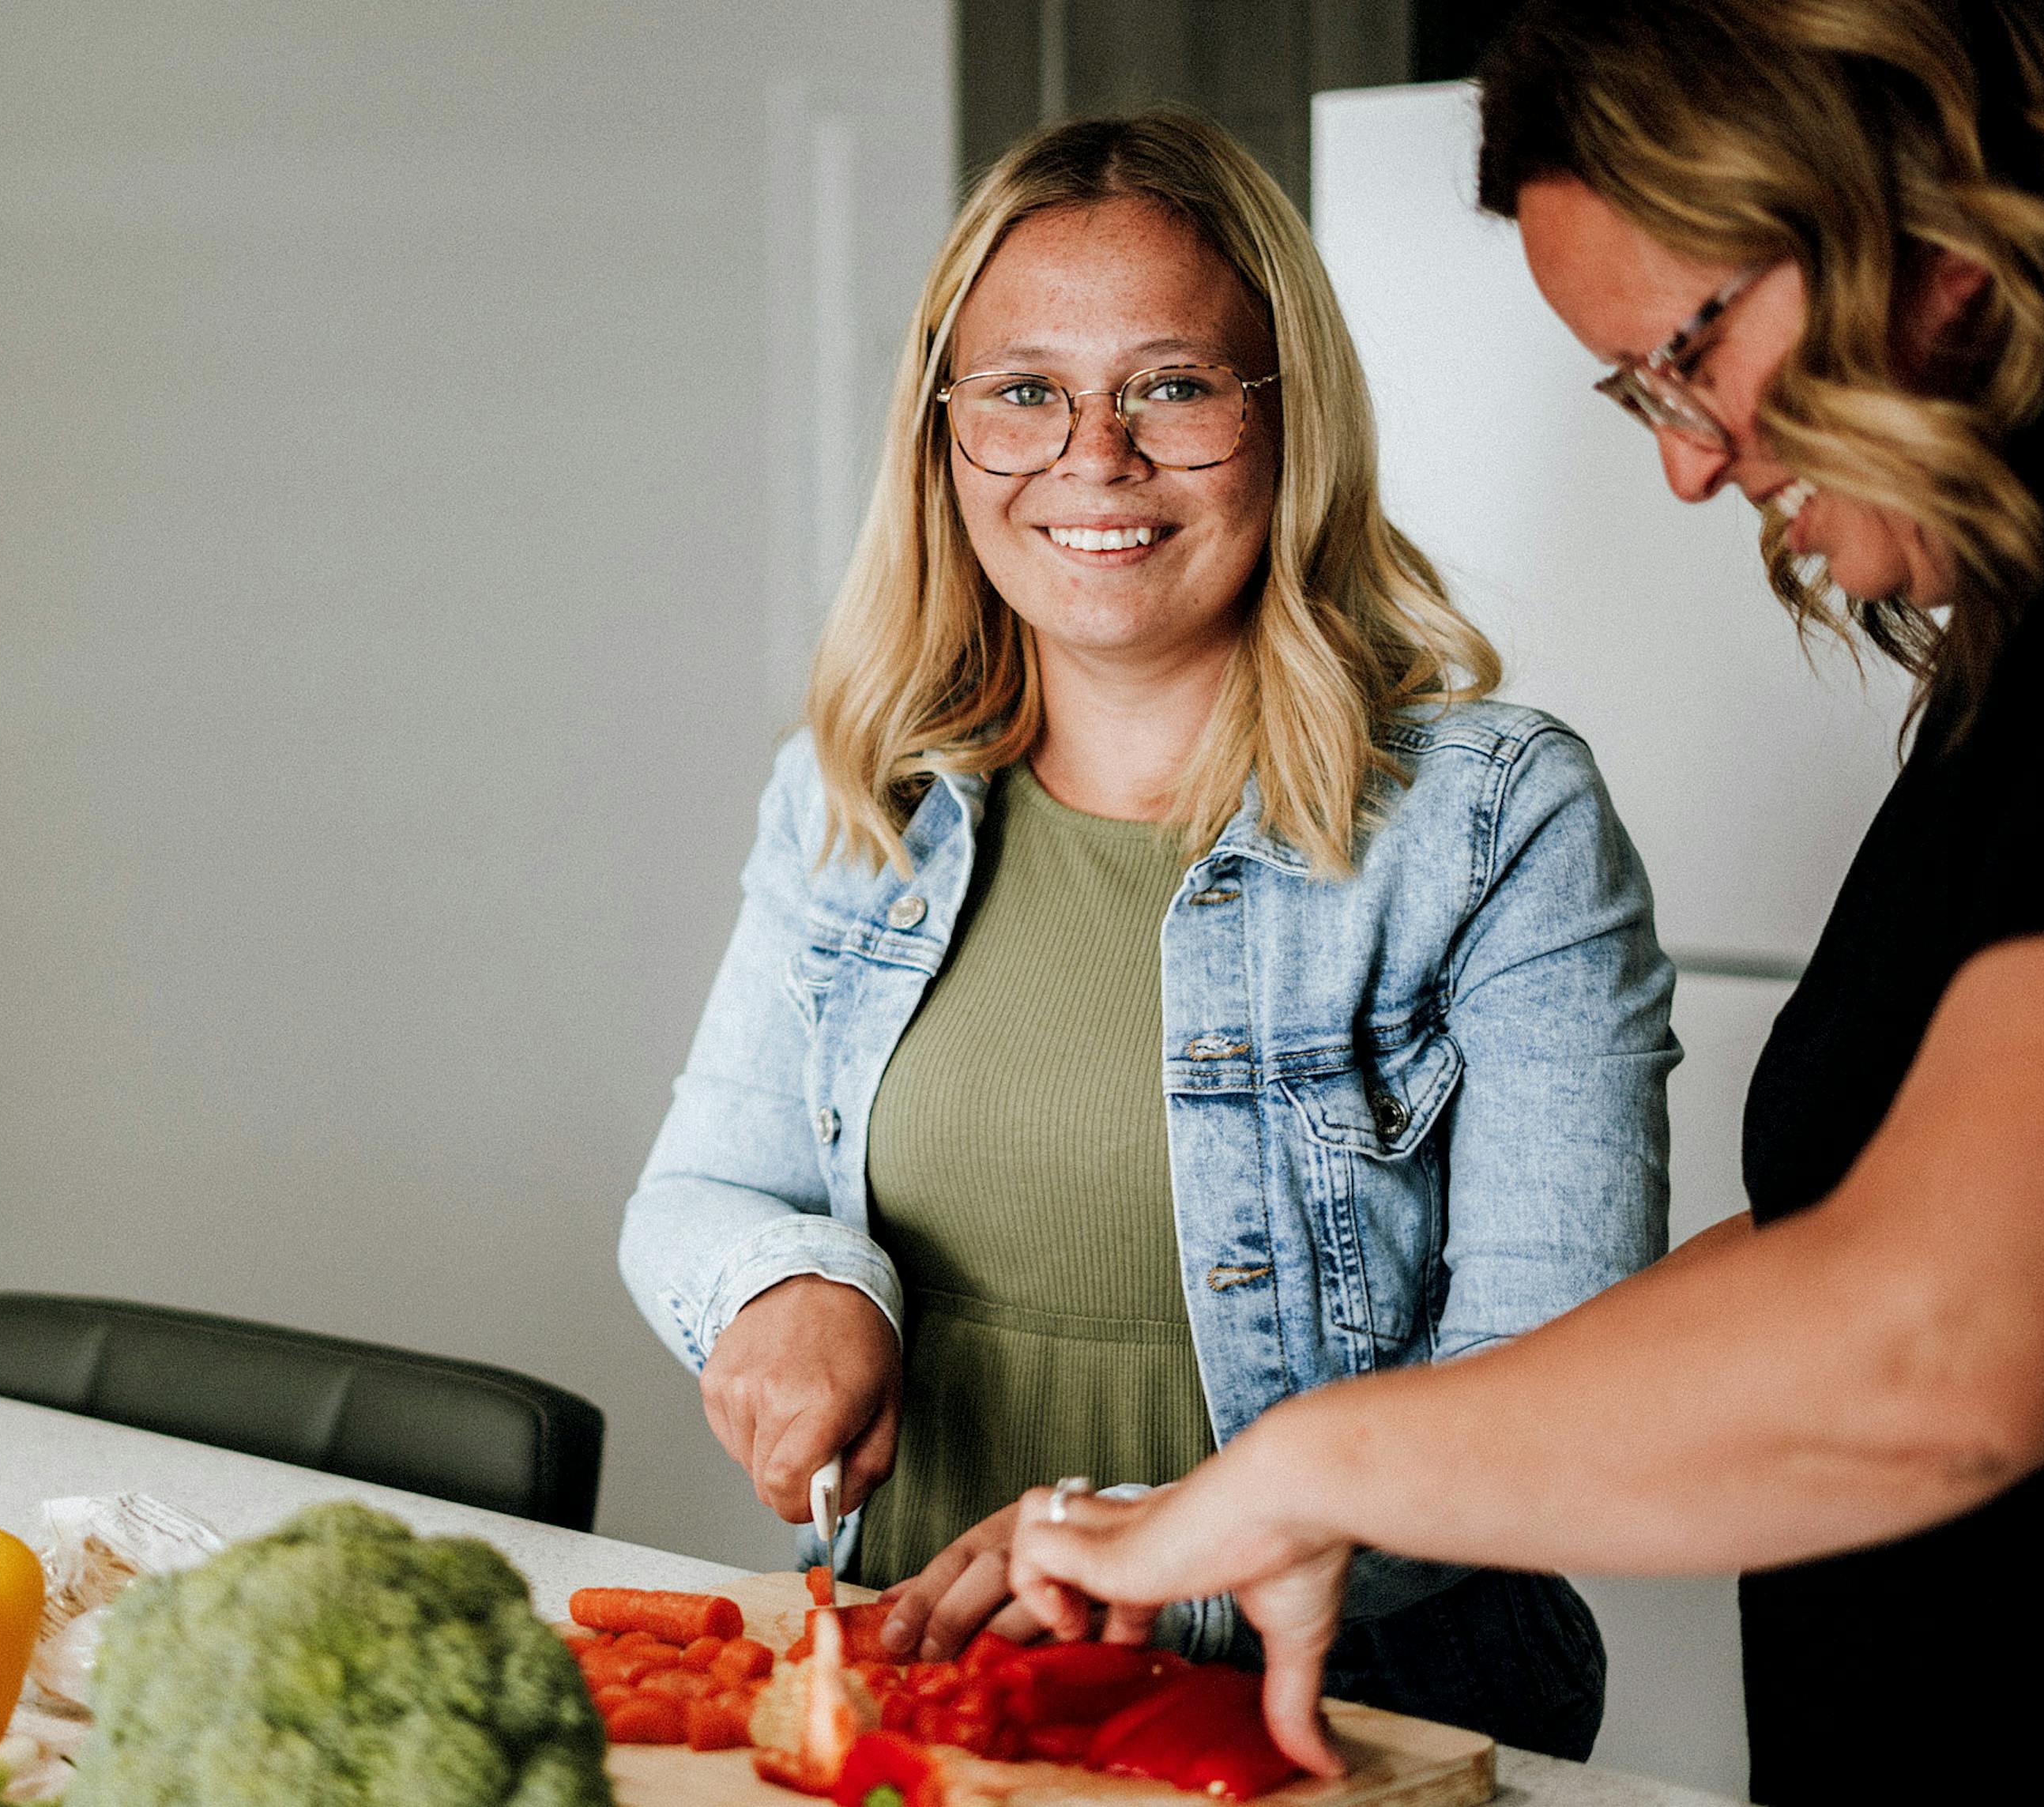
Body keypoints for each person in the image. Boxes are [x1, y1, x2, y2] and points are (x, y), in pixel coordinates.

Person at [1001, 7, 2044, 1805]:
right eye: (1643, 395)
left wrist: (1309, 1473)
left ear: (1928, 218)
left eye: (1688, 355)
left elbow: (1949, 1341)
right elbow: (1835, 1239)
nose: (1691, 462)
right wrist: (1323, 1480)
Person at [615, 109, 1677, 1758]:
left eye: (1172, 386)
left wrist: (1160, 1571)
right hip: (931, 1713)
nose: (1093, 456)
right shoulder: (856, 797)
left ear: (1281, 415)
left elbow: (1553, 1390)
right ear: (946, 434)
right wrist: (783, 1286)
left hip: (1348, 1738)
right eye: (1025, 391)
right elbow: (697, 1193)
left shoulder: (1493, 821)